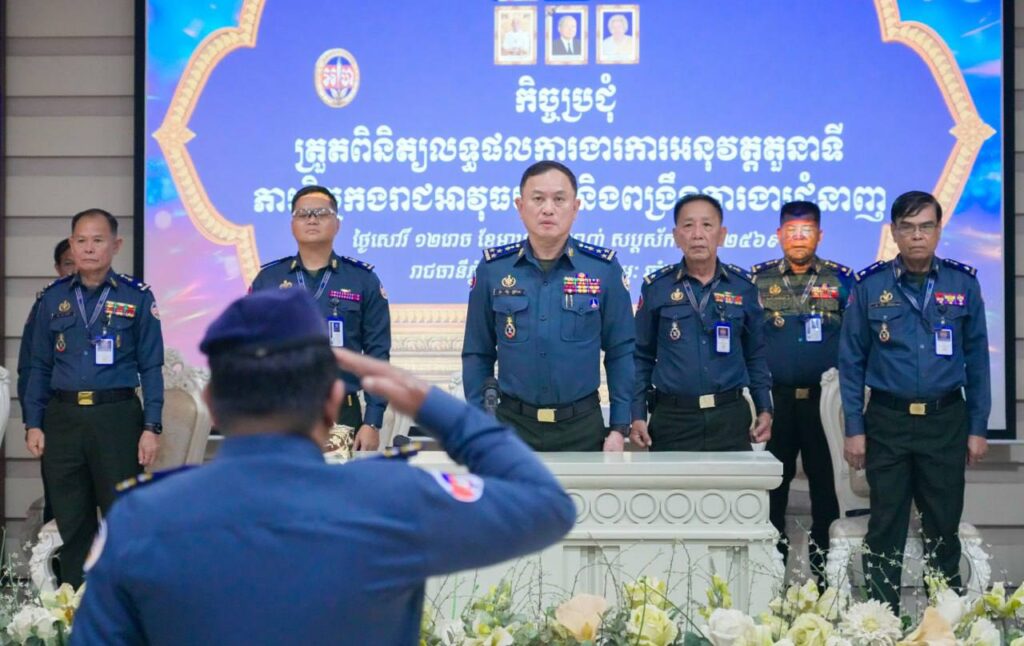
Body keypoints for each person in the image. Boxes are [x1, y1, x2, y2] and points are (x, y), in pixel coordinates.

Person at [71, 289, 577, 645]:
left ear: (212, 404)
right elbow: (547, 505)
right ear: (333, 401)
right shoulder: (391, 499)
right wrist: (431, 403)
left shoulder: (141, 519)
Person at [839, 190, 990, 612]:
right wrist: (854, 428)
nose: (917, 236)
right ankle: (880, 622)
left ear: (939, 231)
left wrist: (978, 427)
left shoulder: (962, 283)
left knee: (943, 528)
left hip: (945, 420)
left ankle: (944, 623)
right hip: (887, 421)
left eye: (925, 227)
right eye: (907, 227)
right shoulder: (870, 286)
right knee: (885, 527)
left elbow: (978, 361)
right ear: (894, 233)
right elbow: (851, 363)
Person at [23, 209, 163, 589]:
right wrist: (33, 422)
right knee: (72, 521)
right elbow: (39, 366)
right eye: (81, 241)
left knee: (121, 520)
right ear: (71, 245)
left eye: (98, 240)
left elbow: (152, 367)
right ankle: (73, 607)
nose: (88, 248)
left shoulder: (137, 296)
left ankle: (121, 607)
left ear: (115, 245)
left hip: (116, 418)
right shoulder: (52, 298)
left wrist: (151, 426)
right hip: (63, 419)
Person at [462, 161, 634, 452]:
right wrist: (480, 423)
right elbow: (478, 353)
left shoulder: (603, 269)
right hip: (511, 428)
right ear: (520, 206)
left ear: (575, 207)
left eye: (559, 199)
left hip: (582, 428)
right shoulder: (493, 270)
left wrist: (619, 427)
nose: (548, 209)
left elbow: (621, 352)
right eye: (538, 198)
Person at [751, 201, 851, 584]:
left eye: (806, 231)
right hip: (774, 405)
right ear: (779, 235)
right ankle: (770, 583)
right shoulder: (758, 281)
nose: (798, 238)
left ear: (819, 235)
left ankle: (826, 585)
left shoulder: (841, 281)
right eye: (791, 231)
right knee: (771, 496)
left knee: (826, 496)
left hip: (824, 407)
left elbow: (856, 343)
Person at [250, 185, 390, 451]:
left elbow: (377, 355)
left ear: (337, 224)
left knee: (337, 480)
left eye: (321, 213)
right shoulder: (267, 281)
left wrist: (372, 421)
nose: (312, 219)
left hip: (343, 413)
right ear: (292, 225)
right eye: (303, 214)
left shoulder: (362, 280)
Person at [631, 194, 772, 451]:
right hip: (673, 419)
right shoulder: (656, 288)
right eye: (688, 225)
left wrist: (765, 407)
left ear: (722, 235)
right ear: (676, 236)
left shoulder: (743, 287)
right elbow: (641, 356)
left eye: (707, 225)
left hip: (729, 417)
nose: (697, 234)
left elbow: (756, 355)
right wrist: (637, 413)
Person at [18, 239, 76, 524]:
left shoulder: (117, 300)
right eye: (68, 263)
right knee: (61, 502)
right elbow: (30, 368)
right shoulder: (47, 304)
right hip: (57, 416)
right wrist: (34, 422)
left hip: (103, 419)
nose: (75, 269)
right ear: (57, 268)